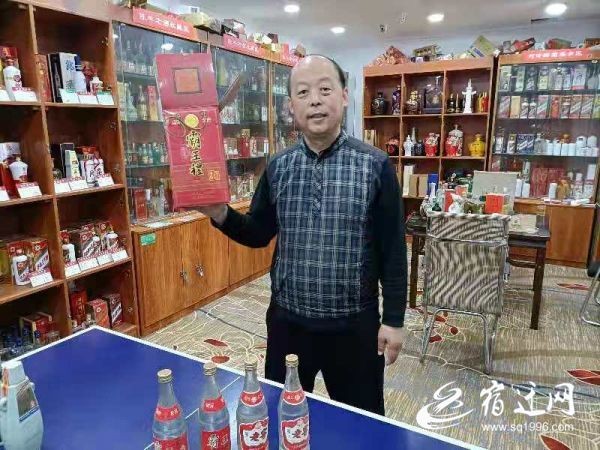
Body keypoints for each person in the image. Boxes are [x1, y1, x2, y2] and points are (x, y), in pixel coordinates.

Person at [201, 55, 407, 416]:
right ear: (291, 106)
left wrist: (393, 319)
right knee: (283, 417)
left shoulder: (375, 165)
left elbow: (393, 250)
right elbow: (258, 232)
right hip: (289, 325)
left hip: (354, 327)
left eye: (325, 89)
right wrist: (221, 214)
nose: (315, 100)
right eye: (303, 92)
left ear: (344, 96)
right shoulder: (278, 166)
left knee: (359, 425)